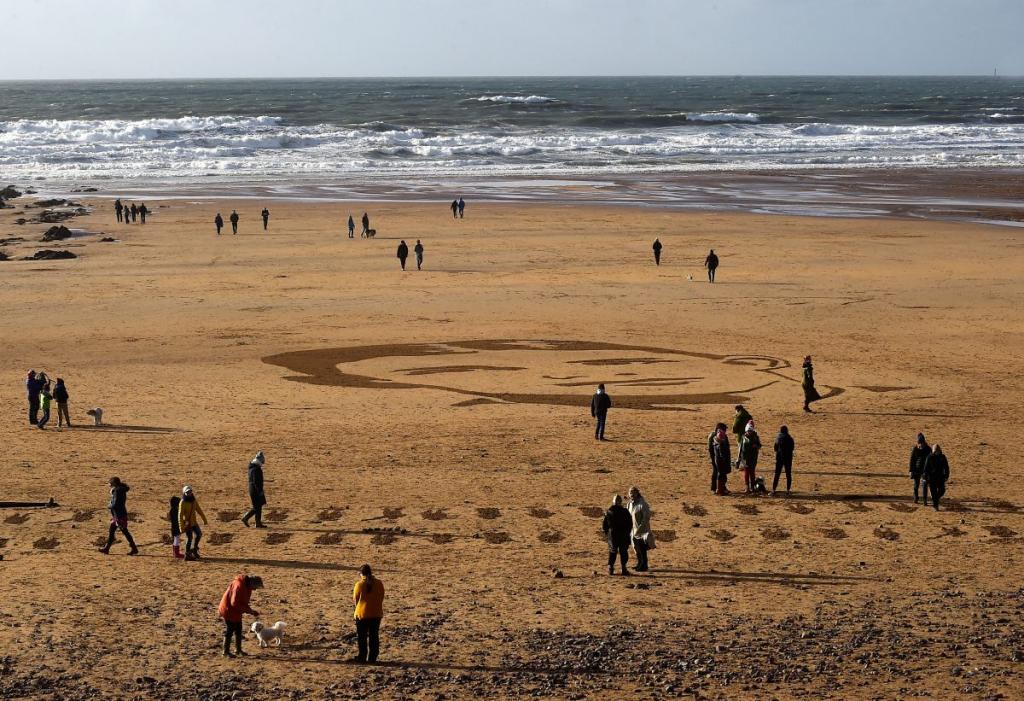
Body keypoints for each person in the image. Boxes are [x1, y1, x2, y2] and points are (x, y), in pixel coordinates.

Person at [218, 574, 263, 658]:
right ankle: (225, 652)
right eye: (256, 587)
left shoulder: (246, 586)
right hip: (228, 610)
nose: (256, 589)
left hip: (235, 611)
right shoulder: (239, 586)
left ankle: (238, 650)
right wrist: (249, 611)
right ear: (252, 583)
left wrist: (251, 611)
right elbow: (234, 603)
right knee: (230, 630)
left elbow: (242, 602)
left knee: (238, 629)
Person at [352, 564, 384, 663]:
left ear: (361, 574)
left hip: (362, 614)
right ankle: (372, 658)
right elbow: (381, 597)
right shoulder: (379, 583)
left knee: (362, 637)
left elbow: (356, 599)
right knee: (374, 636)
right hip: (376, 614)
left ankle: (362, 657)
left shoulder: (359, 584)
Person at [99, 477, 138, 555]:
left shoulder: (117, 491)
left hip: (119, 515)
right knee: (112, 531)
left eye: (110, 483)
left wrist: (109, 505)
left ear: (114, 483)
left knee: (125, 532)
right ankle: (107, 548)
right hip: (119, 515)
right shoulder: (120, 490)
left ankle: (134, 548)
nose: (109, 484)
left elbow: (115, 504)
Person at [602, 494, 632, 576]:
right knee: (623, 552)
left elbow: (605, 526)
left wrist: (607, 534)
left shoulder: (609, 511)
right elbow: (630, 524)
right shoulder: (625, 511)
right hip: (623, 535)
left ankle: (611, 568)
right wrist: (628, 533)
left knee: (613, 552)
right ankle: (623, 568)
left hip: (613, 535)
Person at [626, 486, 654, 572]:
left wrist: (640, 529)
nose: (632, 494)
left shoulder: (642, 504)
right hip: (633, 530)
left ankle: (644, 565)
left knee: (642, 548)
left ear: (637, 493)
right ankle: (639, 563)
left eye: (633, 493)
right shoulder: (629, 504)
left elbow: (646, 517)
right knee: (636, 547)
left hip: (642, 530)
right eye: (630, 493)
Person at [178, 485, 208, 560]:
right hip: (187, 524)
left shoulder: (194, 500)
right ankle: (187, 554)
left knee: (199, 534)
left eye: (190, 492)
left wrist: (204, 519)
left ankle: (194, 549)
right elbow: (180, 515)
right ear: (184, 493)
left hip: (194, 522)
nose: (189, 493)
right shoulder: (183, 502)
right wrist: (181, 527)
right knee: (189, 538)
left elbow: (199, 510)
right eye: (187, 492)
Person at [241, 451, 267, 528]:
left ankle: (258, 523)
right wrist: (260, 492)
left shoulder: (252, 467)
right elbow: (256, 482)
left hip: (252, 489)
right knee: (257, 507)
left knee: (258, 506)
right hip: (255, 490)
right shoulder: (256, 469)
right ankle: (246, 518)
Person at [737, 420, 762, 492]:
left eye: (750, 431)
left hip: (753, 457)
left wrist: (756, 446)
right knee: (746, 472)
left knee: (752, 472)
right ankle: (747, 487)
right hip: (745, 458)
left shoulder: (755, 437)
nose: (749, 432)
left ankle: (753, 487)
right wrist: (738, 459)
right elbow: (740, 448)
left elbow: (759, 446)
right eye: (748, 431)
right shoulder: (743, 437)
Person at [924, 445, 950, 511]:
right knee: (934, 492)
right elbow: (926, 469)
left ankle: (936, 499)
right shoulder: (929, 457)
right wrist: (926, 478)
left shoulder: (942, 457)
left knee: (942, 490)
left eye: (938, 451)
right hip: (931, 479)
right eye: (935, 451)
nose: (937, 452)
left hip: (940, 478)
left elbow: (946, 467)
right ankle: (935, 506)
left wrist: (946, 475)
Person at [909, 433, 932, 505]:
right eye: (919, 443)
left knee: (925, 485)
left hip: (925, 470)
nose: (921, 445)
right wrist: (911, 471)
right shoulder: (915, 449)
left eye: (922, 443)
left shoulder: (928, 449)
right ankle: (916, 497)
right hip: (916, 470)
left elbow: (931, 460)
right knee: (916, 485)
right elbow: (912, 460)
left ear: (924, 442)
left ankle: (925, 500)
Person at [772, 425, 795, 494]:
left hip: (779, 458)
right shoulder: (790, 438)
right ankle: (788, 490)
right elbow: (792, 448)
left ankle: (773, 490)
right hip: (788, 458)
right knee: (788, 474)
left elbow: (775, 448)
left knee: (777, 474)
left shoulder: (778, 438)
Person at [707, 422, 727, 493]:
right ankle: (716, 488)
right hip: (716, 457)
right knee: (717, 472)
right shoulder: (715, 436)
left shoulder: (718, 435)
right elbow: (711, 448)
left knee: (719, 472)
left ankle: (720, 487)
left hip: (717, 456)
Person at [713, 427, 732, 495]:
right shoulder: (720, 444)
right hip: (721, 462)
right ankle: (720, 490)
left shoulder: (716, 443)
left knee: (721, 475)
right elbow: (723, 454)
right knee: (722, 475)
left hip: (718, 461)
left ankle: (719, 489)